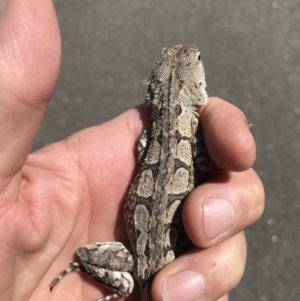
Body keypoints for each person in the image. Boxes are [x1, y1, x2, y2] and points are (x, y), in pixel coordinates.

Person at [0, 1, 264, 301]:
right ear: (196, 83)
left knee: (101, 262)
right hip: (155, 264)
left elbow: (145, 152)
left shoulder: (149, 136)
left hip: (136, 262)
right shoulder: (195, 143)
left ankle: (122, 287)